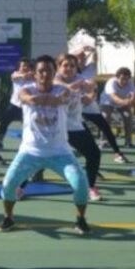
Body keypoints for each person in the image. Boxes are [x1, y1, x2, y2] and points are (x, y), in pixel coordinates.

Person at [0, 55, 92, 234]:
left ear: (54, 72)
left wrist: (44, 99)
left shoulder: (63, 90)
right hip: (30, 151)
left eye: (49, 71)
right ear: (35, 74)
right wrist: (42, 99)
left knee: (80, 185)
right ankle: (8, 217)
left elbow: (60, 99)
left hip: (60, 152)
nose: (45, 74)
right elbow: (28, 99)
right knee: (8, 184)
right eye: (41, 71)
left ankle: (80, 219)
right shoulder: (25, 89)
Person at [57, 54, 104, 202]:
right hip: (56, 127)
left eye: (72, 65)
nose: (69, 68)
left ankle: (90, 186)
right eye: (65, 65)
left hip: (76, 126)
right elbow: (64, 87)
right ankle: (20, 186)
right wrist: (82, 83)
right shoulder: (55, 79)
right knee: (38, 157)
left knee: (94, 154)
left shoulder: (78, 79)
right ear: (59, 67)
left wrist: (92, 91)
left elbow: (88, 96)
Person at [76, 46, 130, 164]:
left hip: (91, 108)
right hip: (76, 109)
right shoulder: (71, 72)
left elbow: (95, 59)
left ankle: (117, 153)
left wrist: (93, 50)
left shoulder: (90, 69)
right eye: (79, 59)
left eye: (83, 58)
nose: (82, 60)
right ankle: (86, 160)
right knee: (83, 136)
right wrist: (80, 50)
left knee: (106, 128)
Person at [0, 58, 34, 147]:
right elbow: (15, 76)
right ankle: (0, 141)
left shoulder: (33, 77)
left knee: (29, 125)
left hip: (27, 107)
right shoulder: (16, 74)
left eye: (27, 66)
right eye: (23, 66)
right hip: (14, 105)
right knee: (4, 122)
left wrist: (33, 75)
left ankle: (28, 143)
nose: (25, 68)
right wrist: (25, 75)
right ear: (19, 67)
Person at [99, 67, 135, 149]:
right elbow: (114, 97)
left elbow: (134, 95)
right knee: (105, 117)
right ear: (117, 77)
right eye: (122, 79)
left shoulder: (130, 83)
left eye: (127, 79)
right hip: (107, 102)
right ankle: (104, 141)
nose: (124, 81)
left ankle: (128, 141)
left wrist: (131, 100)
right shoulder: (111, 82)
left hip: (122, 103)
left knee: (128, 117)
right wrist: (125, 102)